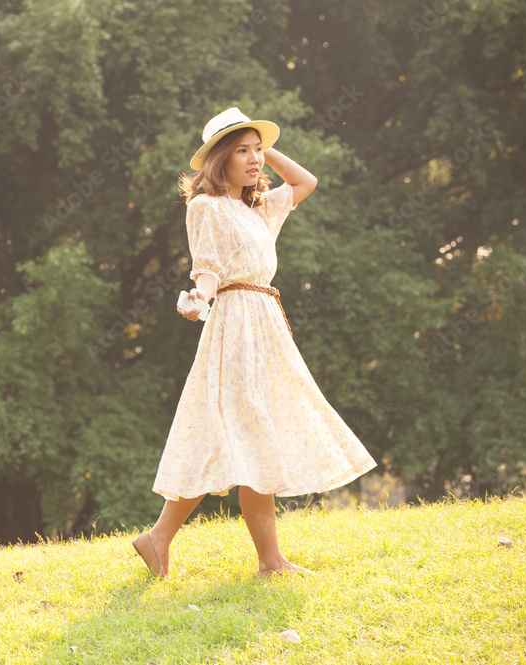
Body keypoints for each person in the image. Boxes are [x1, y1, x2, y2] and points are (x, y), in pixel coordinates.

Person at [131, 107, 378, 580]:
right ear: (219, 159)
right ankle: (265, 560)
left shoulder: (260, 209)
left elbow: (306, 182)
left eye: (256, 150)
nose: (253, 159)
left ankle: (162, 539)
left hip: (266, 327)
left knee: (245, 440)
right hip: (236, 327)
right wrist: (197, 297)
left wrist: (265, 150)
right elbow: (206, 267)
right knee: (250, 439)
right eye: (241, 151)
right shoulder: (206, 207)